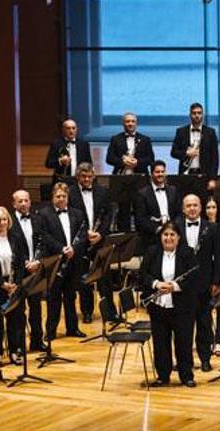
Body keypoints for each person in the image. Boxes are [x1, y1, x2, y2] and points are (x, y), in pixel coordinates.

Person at [140, 222, 199, 387]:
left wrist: (175, 286)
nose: (169, 238)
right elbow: (143, 274)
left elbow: (194, 277)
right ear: (161, 237)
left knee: (184, 342)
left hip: (182, 307)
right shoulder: (152, 252)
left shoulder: (187, 253)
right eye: (165, 235)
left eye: (172, 235)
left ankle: (186, 376)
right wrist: (156, 284)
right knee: (160, 343)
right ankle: (163, 376)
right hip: (158, 306)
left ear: (178, 237)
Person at [175, 194, 220, 373]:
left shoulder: (211, 228)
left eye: (195, 205)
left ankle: (205, 359)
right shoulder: (176, 227)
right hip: (182, 285)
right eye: (188, 206)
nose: (192, 209)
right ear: (183, 209)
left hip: (205, 283)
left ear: (200, 207)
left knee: (204, 324)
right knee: (183, 326)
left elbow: (219, 256)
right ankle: (184, 361)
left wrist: (217, 281)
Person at [39, 182, 88, 340]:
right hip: (55, 261)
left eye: (64, 196)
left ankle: (72, 328)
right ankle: (51, 331)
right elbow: (44, 236)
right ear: (53, 197)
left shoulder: (77, 213)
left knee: (71, 296)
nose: (61, 199)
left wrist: (74, 249)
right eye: (58, 196)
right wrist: (62, 248)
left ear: (68, 197)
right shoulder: (44, 214)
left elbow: (82, 235)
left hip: (73, 261)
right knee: (54, 298)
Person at [69, 163, 114, 324]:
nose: (87, 179)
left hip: (99, 241)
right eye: (83, 176)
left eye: (90, 176)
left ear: (94, 176)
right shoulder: (71, 193)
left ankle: (110, 312)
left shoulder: (102, 192)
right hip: (81, 242)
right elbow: (69, 219)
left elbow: (109, 215)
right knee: (84, 279)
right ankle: (87, 311)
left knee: (105, 277)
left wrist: (100, 234)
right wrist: (84, 234)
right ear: (78, 176)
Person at [0, 207, 26, 367]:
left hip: (14, 284)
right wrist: (2, 284)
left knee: (14, 320)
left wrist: (15, 283)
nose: (2, 223)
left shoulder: (16, 238)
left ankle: (13, 350)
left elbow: (20, 264)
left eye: (4, 219)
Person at [105, 112, 155, 231]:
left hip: (139, 180)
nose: (130, 124)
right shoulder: (115, 139)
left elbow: (151, 159)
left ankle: (140, 239)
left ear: (136, 123)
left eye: (132, 121)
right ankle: (124, 240)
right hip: (121, 180)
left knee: (141, 210)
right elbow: (109, 158)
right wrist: (123, 161)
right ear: (123, 123)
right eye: (127, 121)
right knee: (123, 211)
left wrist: (137, 162)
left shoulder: (145, 139)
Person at [10, 189, 45, 352]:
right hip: (19, 272)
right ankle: (19, 345)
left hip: (36, 270)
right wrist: (24, 262)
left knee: (36, 308)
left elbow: (43, 242)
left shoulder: (38, 219)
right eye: (20, 201)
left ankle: (37, 341)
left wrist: (37, 261)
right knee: (19, 310)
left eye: (26, 200)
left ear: (30, 202)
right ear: (14, 204)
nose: (24, 204)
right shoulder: (9, 222)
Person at [170, 102, 219, 191]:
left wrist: (213, 179)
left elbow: (215, 158)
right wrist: (186, 153)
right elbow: (173, 152)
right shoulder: (181, 131)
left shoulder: (210, 132)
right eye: (194, 113)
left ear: (202, 115)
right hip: (185, 175)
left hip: (204, 175)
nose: (197, 115)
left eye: (199, 113)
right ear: (190, 115)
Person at [134, 160, 180, 252]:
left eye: (163, 171)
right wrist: (157, 229)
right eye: (157, 172)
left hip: (172, 233)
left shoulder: (173, 190)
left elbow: (178, 213)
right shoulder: (142, 194)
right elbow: (140, 219)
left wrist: (172, 227)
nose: (160, 174)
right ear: (151, 174)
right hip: (152, 236)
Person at [204, 196, 220, 357]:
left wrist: (219, 278)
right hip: (205, 273)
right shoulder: (202, 227)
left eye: (213, 207)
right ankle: (207, 340)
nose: (211, 211)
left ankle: (219, 340)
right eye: (208, 207)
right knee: (205, 309)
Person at [44, 118, 92, 185]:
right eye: (68, 128)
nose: (71, 131)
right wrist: (60, 161)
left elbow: (89, 163)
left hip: (79, 181)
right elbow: (48, 163)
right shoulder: (56, 143)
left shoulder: (84, 144)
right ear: (63, 130)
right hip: (61, 180)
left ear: (76, 129)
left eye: (73, 128)